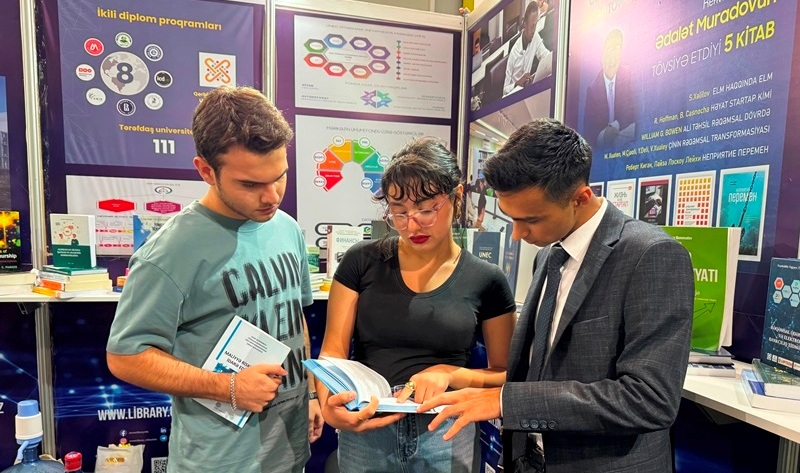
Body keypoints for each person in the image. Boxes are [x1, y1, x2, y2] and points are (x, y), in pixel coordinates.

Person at [420, 119, 694, 473]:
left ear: (580, 198)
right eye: (512, 219)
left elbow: (649, 399)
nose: (517, 235)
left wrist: (506, 402)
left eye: (531, 220)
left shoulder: (651, 255)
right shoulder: (549, 255)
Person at [106, 86, 323, 473]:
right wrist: (229, 388)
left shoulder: (286, 228)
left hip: (289, 449)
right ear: (207, 171)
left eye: (280, 177)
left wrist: (308, 395)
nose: (272, 197)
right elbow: (126, 357)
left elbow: (294, 318)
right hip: (220, 461)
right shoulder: (169, 252)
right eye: (250, 185)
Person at [317, 137, 517, 473]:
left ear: (457, 197)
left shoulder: (487, 279)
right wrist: (328, 404)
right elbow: (333, 352)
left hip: (445, 429)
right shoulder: (361, 261)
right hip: (368, 429)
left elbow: (505, 374)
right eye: (399, 212)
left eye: (426, 210)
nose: (412, 225)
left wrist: (449, 374)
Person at [583, 28, 636, 148]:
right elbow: (588, 133)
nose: (612, 59)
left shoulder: (628, 77)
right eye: (609, 50)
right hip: (604, 150)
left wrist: (614, 126)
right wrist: (603, 135)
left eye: (617, 49)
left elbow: (632, 112)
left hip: (626, 144)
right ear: (602, 57)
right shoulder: (593, 90)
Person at [503, 1, 551, 97]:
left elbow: (547, 56)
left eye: (535, 25)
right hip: (514, 97)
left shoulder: (535, 37)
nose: (533, 31)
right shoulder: (514, 53)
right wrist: (517, 83)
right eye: (532, 26)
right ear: (524, 25)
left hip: (527, 92)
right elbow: (505, 91)